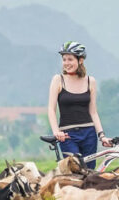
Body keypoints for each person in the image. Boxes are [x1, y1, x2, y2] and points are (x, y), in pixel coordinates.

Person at [47, 41, 112, 169]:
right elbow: (51, 109)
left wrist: (102, 135)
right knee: (74, 171)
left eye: (70, 59)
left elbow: (93, 112)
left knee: (89, 173)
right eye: (64, 59)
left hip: (89, 133)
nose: (66, 63)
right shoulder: (58, 80)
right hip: (67, 135)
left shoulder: (90, 81)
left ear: (80, 60)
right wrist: (56, 131)